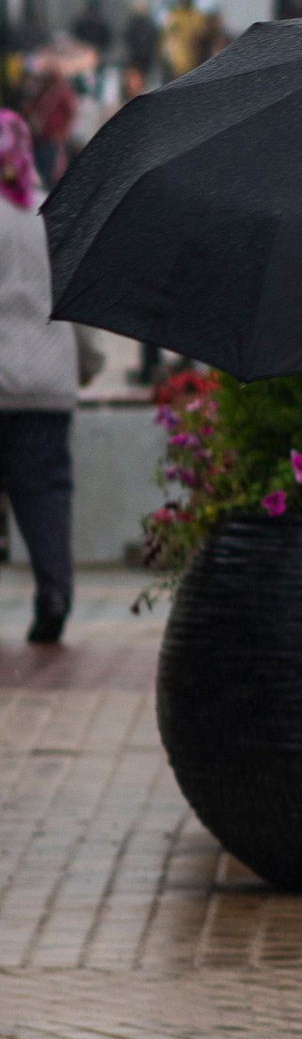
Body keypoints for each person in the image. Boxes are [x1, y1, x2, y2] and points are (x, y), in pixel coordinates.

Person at [0, 109, 98, 645]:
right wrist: (88, 363)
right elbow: (75, 297)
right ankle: (54, 592)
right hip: (48, 384)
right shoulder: (50, 214)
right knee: (47, 493)